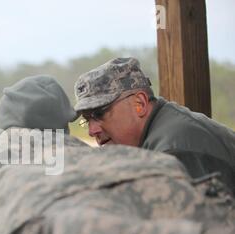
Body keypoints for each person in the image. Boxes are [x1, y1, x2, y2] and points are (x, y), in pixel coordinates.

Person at [73, 57, 235, 194]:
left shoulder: (175, 153)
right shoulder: (162, 128)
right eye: (87, 120)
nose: (91, 131)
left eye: (99, 114)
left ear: (140, 103)